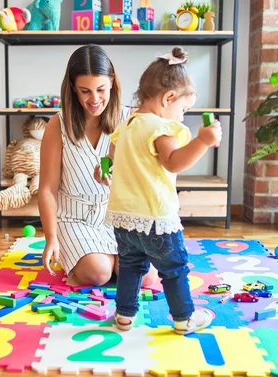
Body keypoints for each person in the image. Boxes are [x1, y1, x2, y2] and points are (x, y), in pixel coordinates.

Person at [95, 47, 222, 335]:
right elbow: (173, 162)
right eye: (184, 109)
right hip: (155, 218)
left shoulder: (127, 126)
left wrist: (104, 167)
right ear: (168, 98)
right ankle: (183, 318)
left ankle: (124, 316)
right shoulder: (161, 127)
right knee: (174, 268)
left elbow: (111, 154)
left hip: (124, 219)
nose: (182, 115)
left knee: (130, 268)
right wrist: (201, 141)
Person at [38, 44, 159, 287]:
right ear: (73, 88)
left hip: (118, 214)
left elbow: (146, 176)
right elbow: (47, 189)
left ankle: (113, 259)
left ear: (112, 83)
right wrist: (51, 238)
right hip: (74, 218)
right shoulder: (57, 125)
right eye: (85, 91)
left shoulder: (130, 119)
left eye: (101, 89)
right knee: (98, 273)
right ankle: (100, 261)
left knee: (146, 277)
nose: (94, 99)